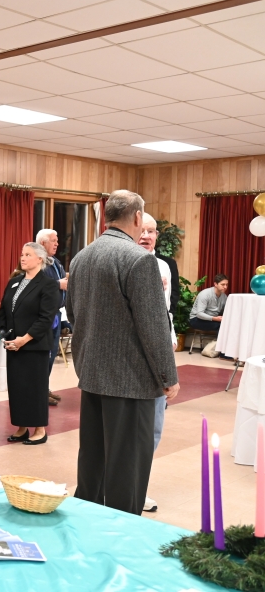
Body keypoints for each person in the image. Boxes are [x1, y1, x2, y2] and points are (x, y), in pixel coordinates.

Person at [66, 190, 179, 515]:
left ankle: (86, 527)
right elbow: (154, 327)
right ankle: (120, 537)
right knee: (127, 472)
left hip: (92, 376)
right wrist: (168, 376)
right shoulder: (139, 260)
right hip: (131, 383)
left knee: (93, 464)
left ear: (106, 217)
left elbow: (74, 315)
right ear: (137, 219)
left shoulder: (81, 257)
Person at [0, 243, 60, 446]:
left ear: (39, 259)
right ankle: (22, 427)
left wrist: (24, 339)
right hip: (14, 345)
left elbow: (45, 318)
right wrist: (4, 335)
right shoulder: (14, 282)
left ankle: (40, 430)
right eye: (22, 254)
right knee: (17, 389)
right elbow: (4, 311)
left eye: (28, 255)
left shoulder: (48, 284)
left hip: (34, 346)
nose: (23, 258)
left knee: (35, 388)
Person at [138, 213, 178, 513]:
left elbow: (166, 311)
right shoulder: (126, 261)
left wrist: (171, 339)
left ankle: (139, 486)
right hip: (133, 357)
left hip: (160, 353)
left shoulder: (164, 265)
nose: (147, 236)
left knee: (153, 427)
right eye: (143, 230)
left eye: (152, 231)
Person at [36, 229, 67, 406]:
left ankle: (44, 388)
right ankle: (38, 392)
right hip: (43, 316)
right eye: (53, 241)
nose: (56, 244)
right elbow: (35, 283)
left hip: (56, 315)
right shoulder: (37, 261)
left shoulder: (54, 262)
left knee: (52, 353)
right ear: (42, 243)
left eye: (56, 240)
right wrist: (58, 284)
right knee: (44, 355)